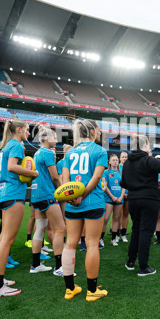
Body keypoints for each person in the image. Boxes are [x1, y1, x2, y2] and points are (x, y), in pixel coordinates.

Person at [121, 136, 160, 276]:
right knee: (145, 232)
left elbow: (124, 183)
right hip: (148, 199)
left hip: (133, 199)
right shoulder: (148, 160)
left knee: (136, 230)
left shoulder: (127, 163)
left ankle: (130, 262)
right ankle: (143, 267)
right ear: (144, 144)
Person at [0, 118, 38, 297]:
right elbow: (12, 167)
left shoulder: (7, 145)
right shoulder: (16, 144)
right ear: (18, 130)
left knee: (3, 238)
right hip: (13, 193)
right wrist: (33, 173)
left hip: (4, 193)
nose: (28, 133)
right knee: (7, 239)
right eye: (27, 129)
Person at [61, 119, 108, 301]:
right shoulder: (100, 151)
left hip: (72, 204)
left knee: (70, 243)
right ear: (92, 132)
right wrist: (83, 195)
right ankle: (92, 290)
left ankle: (69, 289)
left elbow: (65, 180)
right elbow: (96, 177)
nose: (101, 133)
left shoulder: (70, 152)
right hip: (93, 202)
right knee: (92, 244)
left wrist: (72, 197)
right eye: (99, 130)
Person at [30, 125, 66, 276]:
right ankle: (59, 267)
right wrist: (64, 190)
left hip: (37, 195)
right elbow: (55, 177)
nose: (57, 141)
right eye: (55, 137)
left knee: (39, 229)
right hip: (47, 195)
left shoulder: (37, 153)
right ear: (46, 138)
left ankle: (35, 265)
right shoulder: (48, 153)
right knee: (60, 228)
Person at [102, 154, 125, 247]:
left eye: (116, 160)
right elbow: (105, 186)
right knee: (105, 219)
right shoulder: (106, 172)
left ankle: (113, 239)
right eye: (113, 160)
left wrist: (121, 197)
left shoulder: (121, 173)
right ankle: (101, 238)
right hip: (109, 199)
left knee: (116, 219)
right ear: (110, 162)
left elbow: (124, 186)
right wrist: (112, 197)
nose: (115, 161)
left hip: (119, 199)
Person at [118, 151, 129, 243]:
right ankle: (116, 234)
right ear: (120, 158)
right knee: (118, 215)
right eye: (123, 157)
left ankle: (124, 234)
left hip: (129, 194)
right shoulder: (117, 168)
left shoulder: (130, 167)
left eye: (126, 157)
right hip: (119, 194)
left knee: (126, 214)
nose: (125, 158)